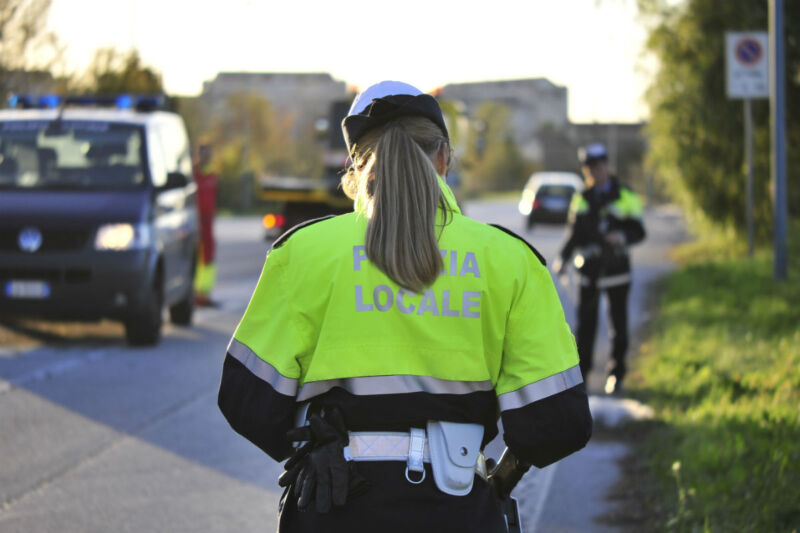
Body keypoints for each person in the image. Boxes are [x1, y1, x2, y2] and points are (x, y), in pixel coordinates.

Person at [218, 81, 592, 533]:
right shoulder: (509, 259)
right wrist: (499, 479)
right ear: (444, 159)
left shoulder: (304, 252)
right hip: (458, 511)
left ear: (355, 167)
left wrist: (309, 443)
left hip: (335, 510)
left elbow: (245, 399)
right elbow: (557, 422)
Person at [554, 143, 646, 395]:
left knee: (619, 325)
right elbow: (574, 234)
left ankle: (616, 375)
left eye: (600, 165)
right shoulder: (581, 197)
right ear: (586, 171)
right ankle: (582, 378)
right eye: (590, 168)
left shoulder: (625, 195)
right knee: (586, 328)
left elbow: (639, 231)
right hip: (589, 272)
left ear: (607, 165)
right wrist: (562, 258)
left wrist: (622, 237)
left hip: (617, 270)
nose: (596, 171)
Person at [193, 142, 218, 306]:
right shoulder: (193, 175)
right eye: (203, 153)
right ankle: (195, 294)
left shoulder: (213, 176)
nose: (206, 157)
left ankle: (205, 293)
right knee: (195, 257)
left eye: (209, 154)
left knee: (208, 257)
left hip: (208, 223)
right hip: (195, 223)